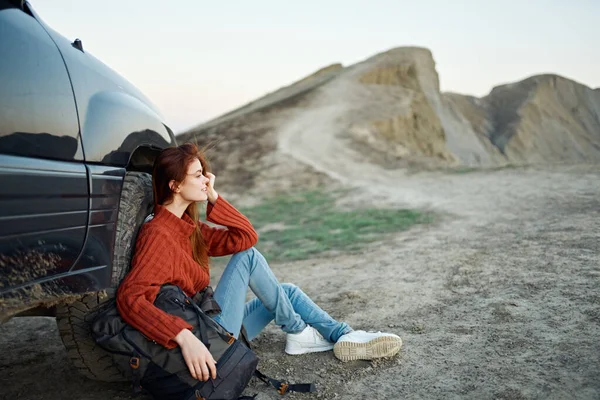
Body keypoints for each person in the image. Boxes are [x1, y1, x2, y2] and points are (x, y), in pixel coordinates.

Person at [116, 143, 402, 384]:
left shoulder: (188, 227)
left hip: (215, 326)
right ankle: (299, 333)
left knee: (285, 291)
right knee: (249, 259)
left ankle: (345, 335)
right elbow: (131, 298)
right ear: (175, 185)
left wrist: (214, 197)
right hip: (206, 337)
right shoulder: (158, 234)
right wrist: (182, 337)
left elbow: (245, 236)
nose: (207, 180)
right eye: (199, 175)